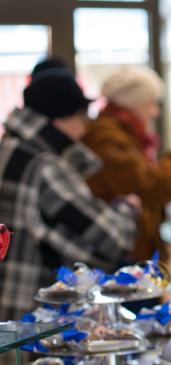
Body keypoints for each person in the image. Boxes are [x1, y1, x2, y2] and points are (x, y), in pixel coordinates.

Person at [0, 59, 140, 321]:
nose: (84, 128)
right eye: (80, 117)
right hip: (32, 316)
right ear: (62, 118)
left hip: (7, 308)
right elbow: (113, 238)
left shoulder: (8, 150)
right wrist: (125, 209)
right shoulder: (44, 166)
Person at [82, 65, 171, 304]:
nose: (156, 112)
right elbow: (147, 185)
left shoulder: (119, 133)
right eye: (152, 102)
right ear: (134, 102)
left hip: (128, 250)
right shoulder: (107, 136)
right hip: (122, 257)